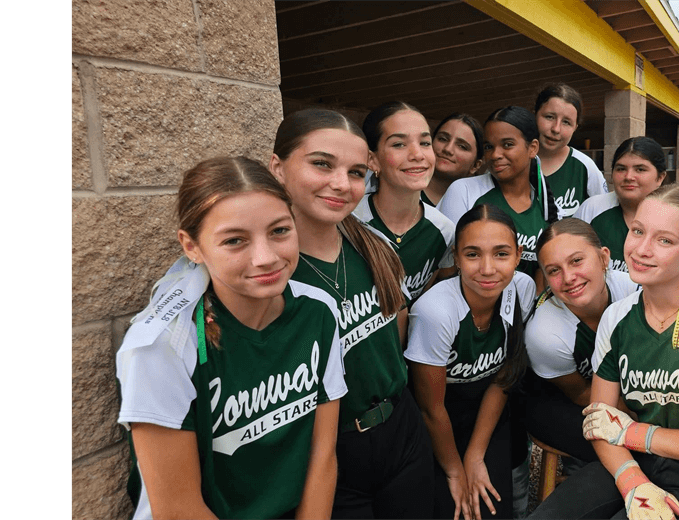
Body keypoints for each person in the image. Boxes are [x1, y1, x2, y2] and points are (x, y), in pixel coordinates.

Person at [117, 156, 346, 519]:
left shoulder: (318, 312)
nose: (265, 257)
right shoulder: (162, 346)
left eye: (279, 231)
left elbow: (323, 456)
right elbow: (178, 509)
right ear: (191, 246)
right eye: (235, 240)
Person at [532, 185, 679, 520]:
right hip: (634, 459)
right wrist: (632, 481)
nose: (641, 249)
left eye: (664, 240)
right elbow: (601, 421)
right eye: (638, 231)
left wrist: (631, 432)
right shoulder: (618, 316)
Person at [268, 108, 435, 519]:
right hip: (328, 450)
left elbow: (394, 329)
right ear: (277, 167)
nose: (341, 184)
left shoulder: (372, 245)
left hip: (400, 425)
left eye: (357, 172)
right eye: (321, 164)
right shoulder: (267, 272)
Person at [406, 204, 537, 520]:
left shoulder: (522, 288)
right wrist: (455, 470)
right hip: (437, 418)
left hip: (488, 409)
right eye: (473, 254)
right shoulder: (436, 311)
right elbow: (430, 408)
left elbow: (503, 376)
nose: (488, 268)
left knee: (489, 507)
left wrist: (476, 456)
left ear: (519, 255)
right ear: (456, 256)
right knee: (454, 507)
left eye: (502, 254)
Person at [524, 218, 638, 463]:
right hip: (566, 397)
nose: (568, 278)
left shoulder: (636, 291)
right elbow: (581, 393)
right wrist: (640, 422)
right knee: (627, 445)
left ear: (604, 258)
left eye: (576, 261)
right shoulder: (544, 333)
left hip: (627, 385)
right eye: (554, 270)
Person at [437, 105, 558, 286]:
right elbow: (446, 270)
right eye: (488, 147)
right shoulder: (464, 191)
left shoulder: (547, 205)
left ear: (532, 148)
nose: (495, 155)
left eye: (507, 145)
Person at [354, 101, 455, 306]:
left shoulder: (444, 230)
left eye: (425, 143)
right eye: (399, 144)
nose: (417, 155)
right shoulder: (348, 222)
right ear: (372, 160)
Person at [574, 136, 668, 274]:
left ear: (660, 177)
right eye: (621, 169)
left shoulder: (675, 215)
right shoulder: (593, 208)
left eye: (640, 169)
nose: (628, 176)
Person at [533, 83, 606, 216]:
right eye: (549, 117)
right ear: (535, 114)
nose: (556, 129)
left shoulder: (585, 167)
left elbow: (605, 214)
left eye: (566, 122)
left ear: (575, 127)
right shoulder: (516, 159)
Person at [425, 113, 485, 206]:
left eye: (462, 146)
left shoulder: (479, 209)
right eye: (442, 139)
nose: (448, 149)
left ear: (475, 165)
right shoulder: (403, 191)